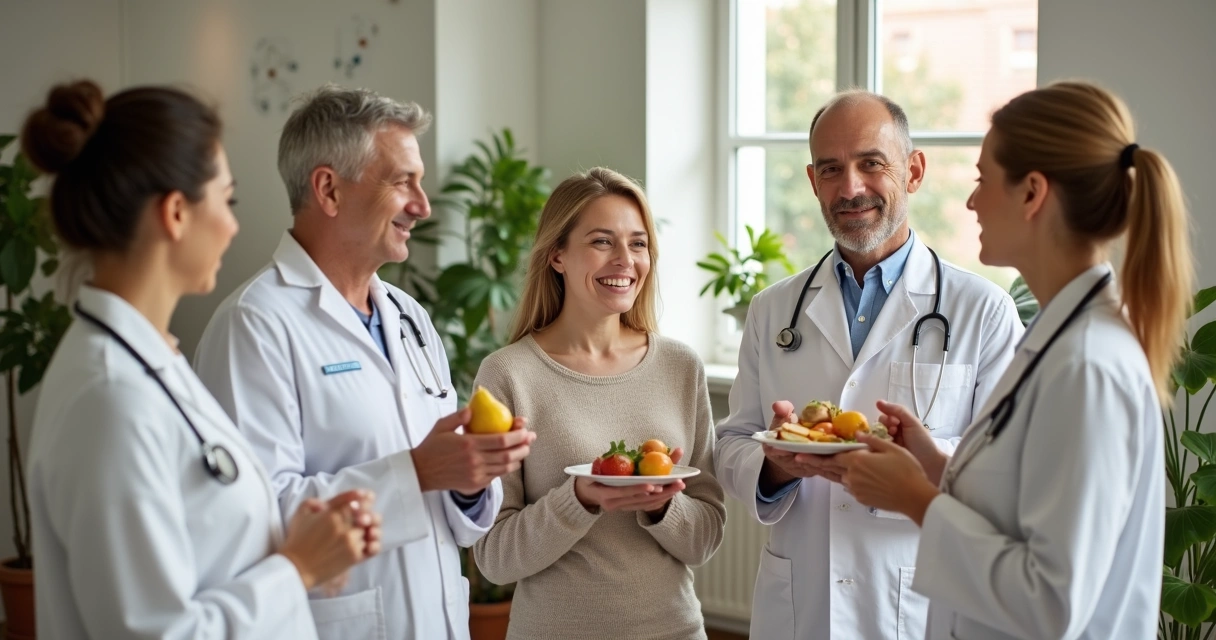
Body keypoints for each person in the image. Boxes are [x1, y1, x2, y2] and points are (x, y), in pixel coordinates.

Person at [22, 80, 381, 639]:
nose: (234, 225)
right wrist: (297, 568)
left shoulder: (148, 364)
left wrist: (290, 545)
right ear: (175, 213)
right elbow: (156, 632)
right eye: (227, 200)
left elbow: (202, 553)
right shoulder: (110, 399)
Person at [836, 81, 1184, 640]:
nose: (971, 202)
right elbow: (1026, 504)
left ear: (1032, 194)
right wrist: (932, 463)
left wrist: (916, 499)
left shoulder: (1087, 365)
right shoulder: (1058, 337)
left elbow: (1051, 602)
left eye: (983, 179)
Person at [193, 84, 534, 639]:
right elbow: (250, 517)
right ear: (328, 189)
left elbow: (460, 524)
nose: (423, 205)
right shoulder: (254, 324)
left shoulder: (409, 317)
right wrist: (417, 472)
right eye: (403, 182)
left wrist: (469, 478)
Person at [713, 90, 1024, 640]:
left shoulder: (983, 310)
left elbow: (1007, 466)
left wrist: (914, 461)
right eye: (830, 169)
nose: (851, 188)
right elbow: (734, 441)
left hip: (913, 601)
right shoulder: (773, 309)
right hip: (801, 603)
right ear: (813, 181)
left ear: (914, 171)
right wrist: (779, 466)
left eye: (871, 163)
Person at [471, 167, 726, 639]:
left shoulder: (680, 366)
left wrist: (661, 507)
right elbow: (494, 558)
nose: (625, 260)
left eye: (638, 243)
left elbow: (705, 538)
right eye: (602, 242)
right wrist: (579, 500)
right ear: (557, 255)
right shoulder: (508, 374)